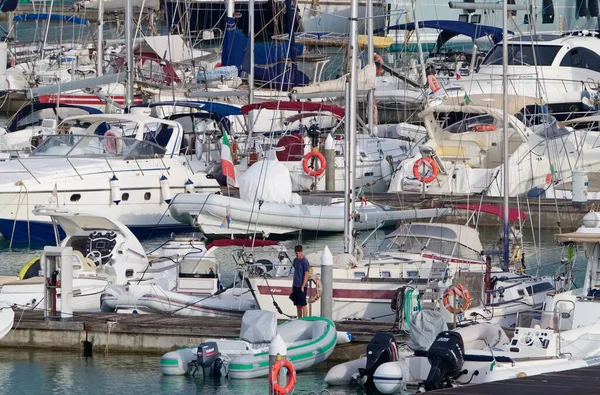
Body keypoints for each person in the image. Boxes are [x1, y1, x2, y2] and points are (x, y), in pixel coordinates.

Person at [290, 245, 310, 318]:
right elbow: (295, 273)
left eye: (299, 253)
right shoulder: (295, 260)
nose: (298, 254)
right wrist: (293, 285)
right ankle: (299, 318)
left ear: (301, 252)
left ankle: (304, 319)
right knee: (297, 305)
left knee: (303, 304)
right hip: (296, 285)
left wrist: (303, 285)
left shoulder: (305, 261)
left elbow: (306, 274)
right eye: (296, 253)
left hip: (302, 286)